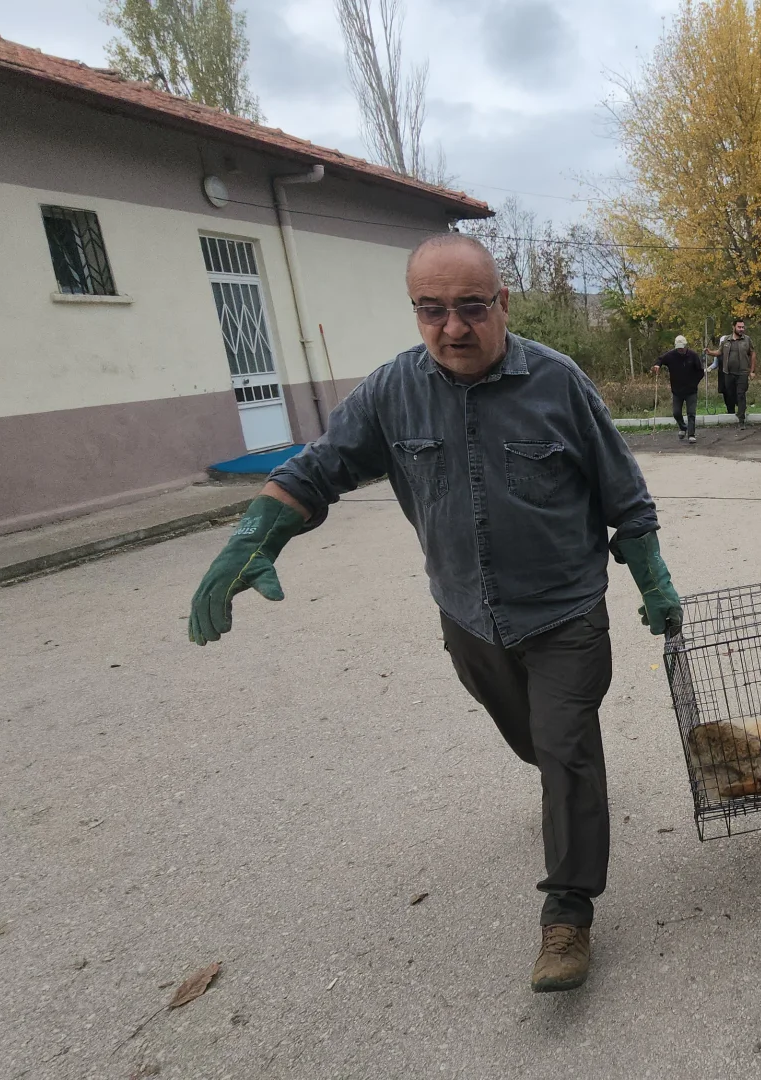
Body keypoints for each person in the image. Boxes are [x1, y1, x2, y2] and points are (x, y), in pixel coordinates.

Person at [186, 232, 685, 993]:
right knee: (534, 744)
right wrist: (256, 535)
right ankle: (565, 796)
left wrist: (652, 580)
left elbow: (626, 495)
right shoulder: (393, 390)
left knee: (566, 748)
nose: (452, 328)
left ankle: (568, 915)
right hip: (469, 617)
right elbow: (321, 467)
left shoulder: (559, 383)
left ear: (503, 304)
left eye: (470, 308)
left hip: (565, 615)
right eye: (431, 310)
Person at [653, 334, 704, 443]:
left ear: (686, 345)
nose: (680, 349)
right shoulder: (671, 355)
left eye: (682, 347)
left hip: (691, 390)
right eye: (678, 347)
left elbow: (700, 371)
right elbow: (660, 359)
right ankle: (683, 427)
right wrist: (657, 365)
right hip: (677, 390)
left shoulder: (693, 355)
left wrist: (694, 383)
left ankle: (691, 434)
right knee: (676, 413)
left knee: (691, 413)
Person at [717, 319, 756, 422]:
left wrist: (752, 371)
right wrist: (709, 352)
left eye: (743, 327)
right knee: (730, 393)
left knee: (741, 393)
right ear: (733, 327)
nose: (741, 329)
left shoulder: (747, 340)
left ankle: (741, 418)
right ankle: (740, 408)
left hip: (742, 372)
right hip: (728, 373)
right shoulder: (726, 340)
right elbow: (719, 352)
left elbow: (752, 354)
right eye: (739, 327)